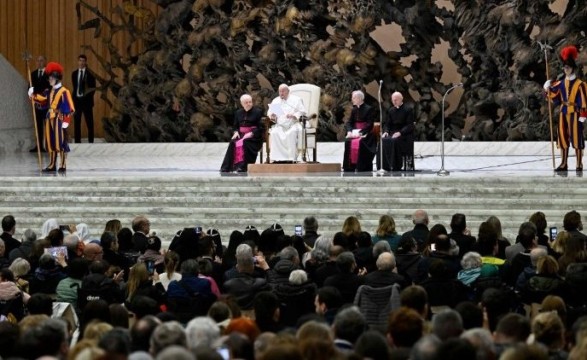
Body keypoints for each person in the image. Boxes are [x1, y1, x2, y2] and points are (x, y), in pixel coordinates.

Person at [543, 45, 587, 172]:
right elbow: (554, 95)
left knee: (577, 138)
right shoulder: (561, 83)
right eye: (564, 67)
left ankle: (579, 164)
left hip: (575, 113)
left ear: (572, 68)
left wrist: (583, 115)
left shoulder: (580, 85)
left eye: (567, 67)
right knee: (562, 137)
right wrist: (547, 88)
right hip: (563, 112)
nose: (565, 69)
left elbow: (584, 100)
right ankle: (563, 163)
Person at [28, 61, 74, 172]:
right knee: (50, 142)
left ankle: (62, 164)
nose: (49, 80)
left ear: (57, 78)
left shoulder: (64, 91)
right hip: (49, 118)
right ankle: (52, 164)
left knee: (60, 142)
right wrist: (32, 94)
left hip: (59, 119)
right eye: (49, 78)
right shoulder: (49, 91)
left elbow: (70, 107)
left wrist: (66, 120)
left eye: (51, 78)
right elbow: (42, 99)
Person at [220, 94, 265, 172]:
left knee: (245, 142)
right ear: (242, 103)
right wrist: (235, 132)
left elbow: (261, 127)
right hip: (241, 135)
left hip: (254, 137)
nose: (248, 104)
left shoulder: (258, 112)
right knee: (232, 143)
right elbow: (235, 126)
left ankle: (243, 167)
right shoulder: (238, 112)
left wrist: (252, 133)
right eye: (246, 102)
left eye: (250, 102)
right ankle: (227, 167)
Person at [266, 83, 306, 162]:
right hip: (280, 125)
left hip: (293, 124)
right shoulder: (276, 100)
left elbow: (302, 111)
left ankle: (291, 158)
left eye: (283, 91)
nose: (281, 93)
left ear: (288, 91)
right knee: (274, 133)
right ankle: (277, 158)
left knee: (291, 133)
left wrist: (294, 115)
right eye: (280, 91)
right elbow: (270, 113)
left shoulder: (296, 99)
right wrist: (272, 116)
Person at [377, 91, 415, 171]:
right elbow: (387, 124)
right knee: (383, 141)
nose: (394, 102)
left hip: (404, 135)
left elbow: (409, 125)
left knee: (394, 141)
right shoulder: (391, 110)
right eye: (393, 100)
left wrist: (400, 133)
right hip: (392, 133)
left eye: (396, 100)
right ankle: (384, 166)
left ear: (401, 99)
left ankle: (394, 166)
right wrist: (386, 132)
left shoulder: (408, 110)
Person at [343, 90, 377, 172]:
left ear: (359, 98)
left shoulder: (369, 109)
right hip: (354, 132)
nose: (352, 100)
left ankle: (361, 166)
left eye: (353, 98)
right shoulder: (354, 109)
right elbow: (350, 122)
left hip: (366, 133)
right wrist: (349, 131)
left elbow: (370, 124)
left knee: (361, 142)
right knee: (348, 142)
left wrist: (361, 132)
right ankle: (350, 166)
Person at [71, 54, 96, 143]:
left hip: (87, 102)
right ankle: (77, 143)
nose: (81, 63)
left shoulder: (90, 74)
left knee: (89, 123)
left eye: (83, 61)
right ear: (78, 62)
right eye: (80, 61)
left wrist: (86, 98)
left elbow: (93, 89)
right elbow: (75, 87)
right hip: (77, 102)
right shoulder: (74, 74)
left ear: (85, 62)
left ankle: (91, 143)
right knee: (77, 123)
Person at [29, 55, 50, 153]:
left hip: (46, 105)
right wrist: (31, 95)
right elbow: (30, 88)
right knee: (38, 126)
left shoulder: (49, 74)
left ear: (45, 62)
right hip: (37, 104)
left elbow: (51, 88)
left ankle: (48, 145)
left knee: (47, 126)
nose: (39, 62)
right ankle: (39, 146)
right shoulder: (32, 74)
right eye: (38, 60)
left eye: (41, 60)